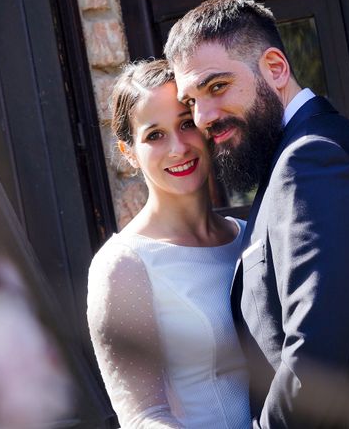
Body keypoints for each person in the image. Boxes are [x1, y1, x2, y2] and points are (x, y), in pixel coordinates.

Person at [165, 0, 349, 428]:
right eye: (191, 102)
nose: (204, 116)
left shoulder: (313, 160)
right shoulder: (296, 155)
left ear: (275, 68)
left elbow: (315, 363)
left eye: (217, 86)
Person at [87, 59, 251, 428]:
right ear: (129, 153)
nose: (178, 147)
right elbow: (144, 417)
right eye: (155, 135)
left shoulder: (249, 236)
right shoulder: (124, 265)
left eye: (186, 124)